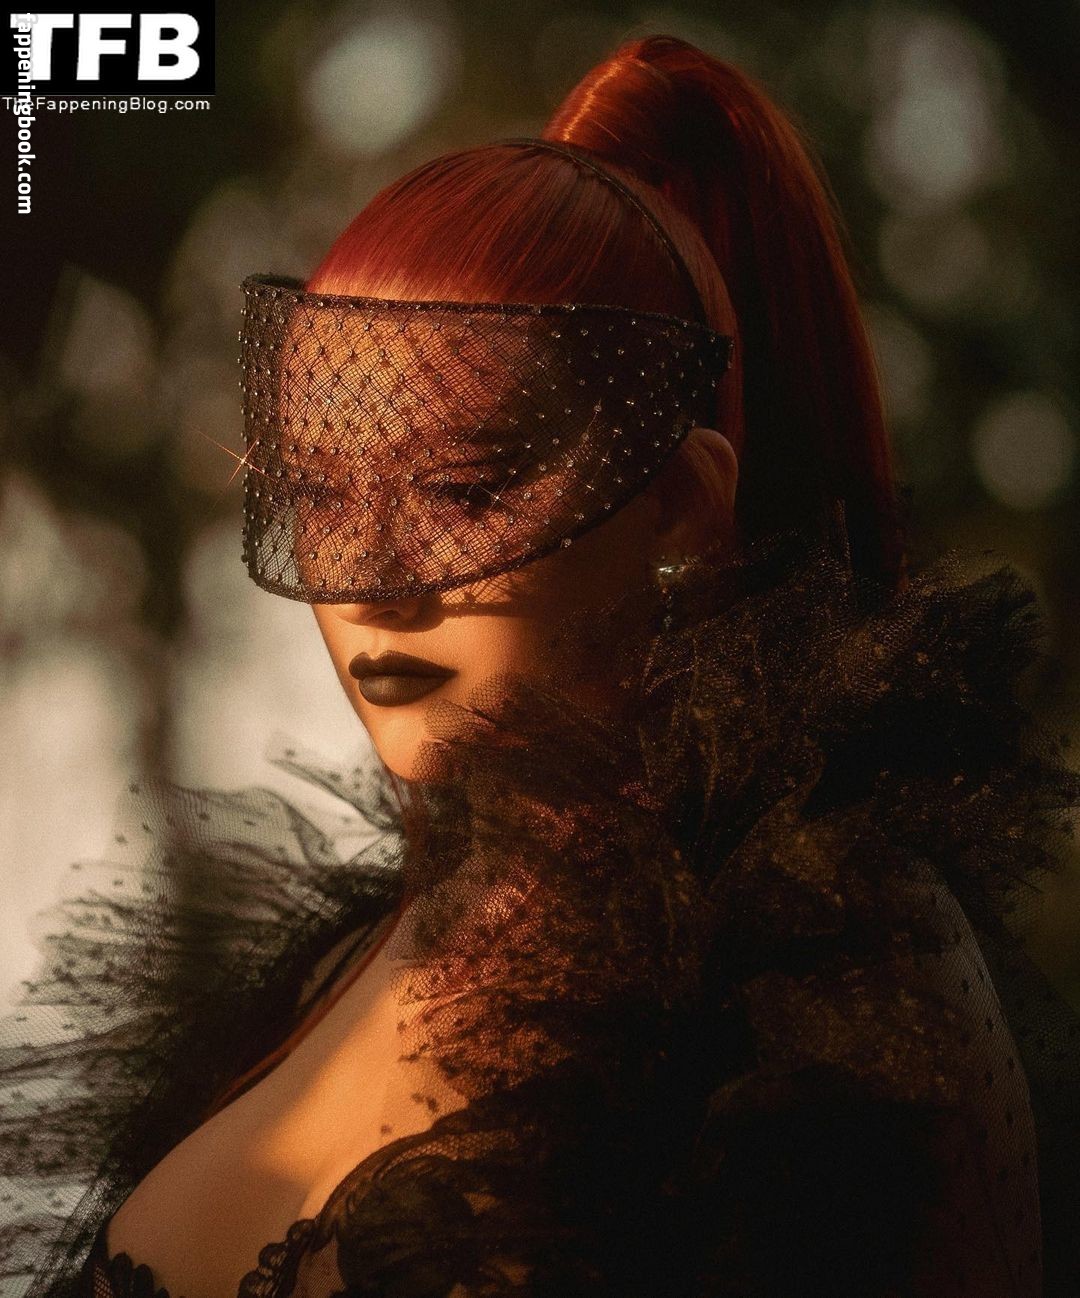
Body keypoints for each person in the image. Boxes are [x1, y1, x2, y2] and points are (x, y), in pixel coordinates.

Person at [2, 33, 1079, 1298]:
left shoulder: (823, 969)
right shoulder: (315, 980)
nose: (373, 580)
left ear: (679, 500)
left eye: (463, 490)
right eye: (322, 496)